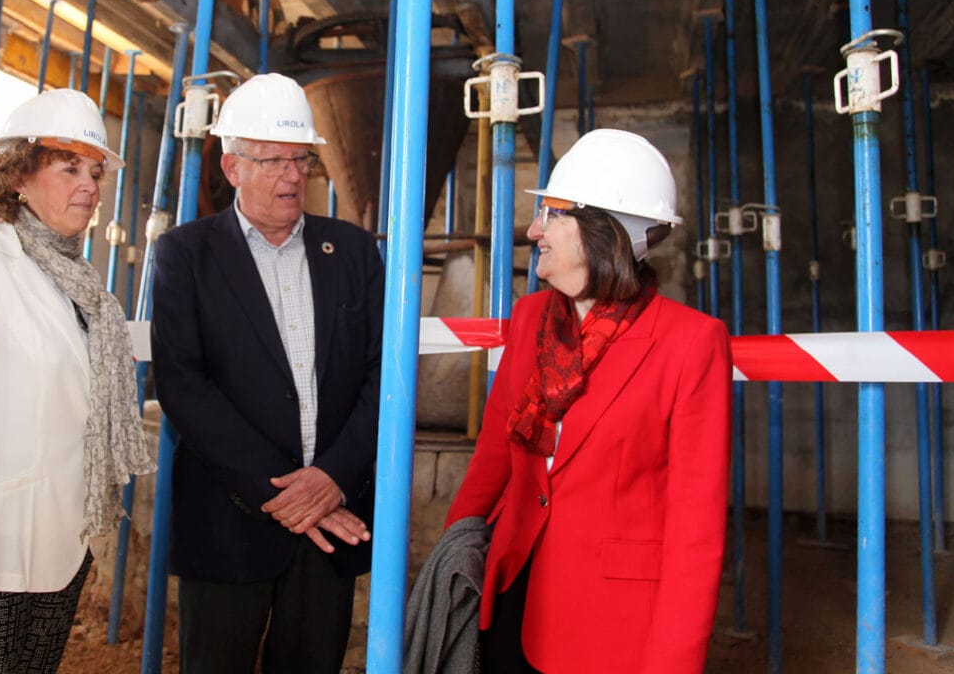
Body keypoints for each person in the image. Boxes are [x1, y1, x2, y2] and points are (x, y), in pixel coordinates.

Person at [447, 128, 732, 674]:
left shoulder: (690, 343)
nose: (534, 231)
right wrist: (452, 562)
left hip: (611, 623)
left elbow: (695, 533)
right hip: (512, 589)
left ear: (602, 231)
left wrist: (673, 664)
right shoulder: (531, 319)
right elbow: (492, 459)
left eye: (551, 214)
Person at [150, 73, 384, 674]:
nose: (292, 176)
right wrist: (291, 495)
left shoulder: (353, 253)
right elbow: (183, 385)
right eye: (274, 161)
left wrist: (333, 476)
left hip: (332, 521)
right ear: (232, 168)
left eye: (301, 161)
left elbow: (382, 377)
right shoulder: (185, 254)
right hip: (229, 523)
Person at [0, 88, 154, 674]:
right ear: (19, 177)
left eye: (95, 171)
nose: (89, 185)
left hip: (63, 549)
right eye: (68, 166)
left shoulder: (86, 289)